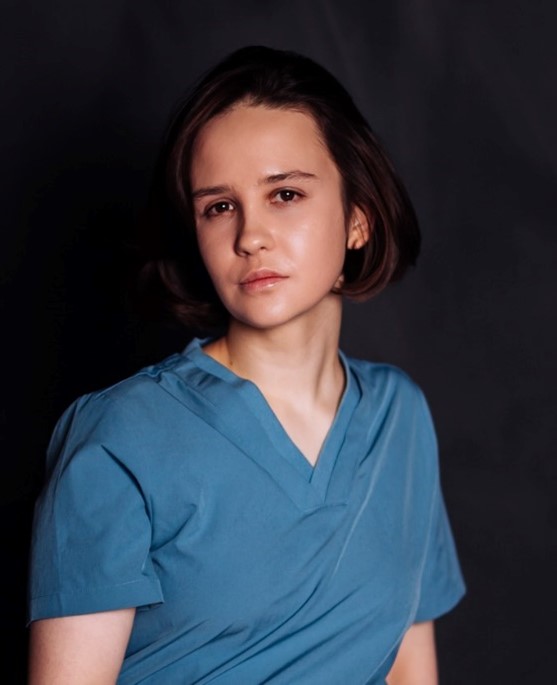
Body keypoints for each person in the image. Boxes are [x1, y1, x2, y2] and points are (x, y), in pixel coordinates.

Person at [27, 46, 465, 684]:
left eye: (285, 193)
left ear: (358, 221)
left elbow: (408, 670)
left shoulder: (399, 418)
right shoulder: (122, 436)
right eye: (219, 206)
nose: (250, 235)